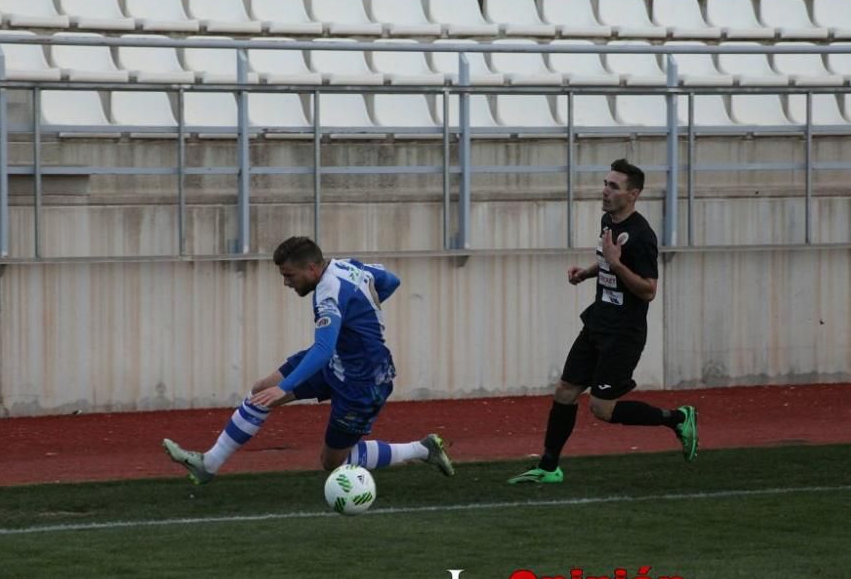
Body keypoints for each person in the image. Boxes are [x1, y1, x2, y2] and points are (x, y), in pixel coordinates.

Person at [163, 236, 454, 483]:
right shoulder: (348, 266)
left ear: (312, 269)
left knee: (332, 461)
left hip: (362, 379)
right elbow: (390, 281)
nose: (286, 283)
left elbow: (323, 348)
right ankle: (208, 465)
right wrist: (360, 314)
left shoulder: (327, 293)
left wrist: (285, 387)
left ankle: (423, 449)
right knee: (262, 388)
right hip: (339, 360)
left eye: (289, 276)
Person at [508, 159, 697, 484]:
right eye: (605, 184)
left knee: (602, 409)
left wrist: (616, 265)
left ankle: (678, 418)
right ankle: (549, 468)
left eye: (614, 186)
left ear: (633, 194)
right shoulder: (608, 221)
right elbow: (608, 259)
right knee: (565, 390)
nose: (605, 191)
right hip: (598, 321)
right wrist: (588, 271)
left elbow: (649, 290)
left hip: (623, 333)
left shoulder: (642, 235)